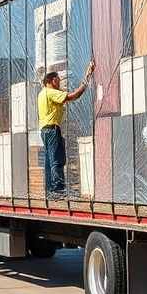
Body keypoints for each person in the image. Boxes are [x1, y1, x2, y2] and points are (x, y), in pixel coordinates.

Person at [38, 61, 95, 198]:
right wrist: (87, 77)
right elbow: (73, 96)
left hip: (45, 130)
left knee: (49, 161)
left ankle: (51, 191)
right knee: (57, 159)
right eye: (58, 80)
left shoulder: (42, 94)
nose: (60, 83)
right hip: (52, 130)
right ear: (52, 81)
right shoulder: (51, 92)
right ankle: (58, 191)